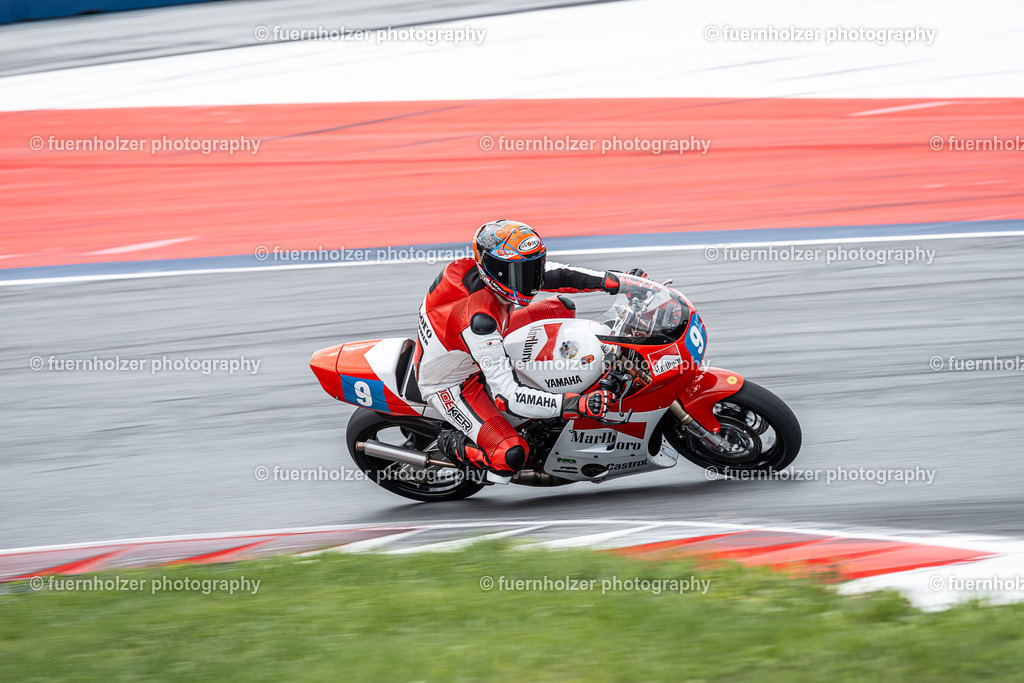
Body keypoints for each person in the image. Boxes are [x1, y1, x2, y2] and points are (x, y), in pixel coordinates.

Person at [413, 219, 645, 477]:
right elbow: (508, 396)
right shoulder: (478, 321)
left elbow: (560, 275)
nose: (531, 281)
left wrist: (618, 281)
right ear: (495, 270)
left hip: (480, 340)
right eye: (520, 272)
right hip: (454, 381)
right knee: (510, 455)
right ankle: (452, 442)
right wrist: (576, 404)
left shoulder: (485, 272)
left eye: (533, 267)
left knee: (561, 306)